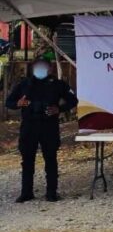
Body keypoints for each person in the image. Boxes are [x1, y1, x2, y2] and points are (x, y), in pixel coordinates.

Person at [5, 58, 78, 203]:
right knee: (27, 160)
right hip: (29, 126)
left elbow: (73, 100)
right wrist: (18, 103)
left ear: (50, 69)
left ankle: (51, 192)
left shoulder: (57, 85)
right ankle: (26, 192)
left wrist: (59, 109)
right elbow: (9, 102)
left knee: (50, 159)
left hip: (49, 126)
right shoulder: (24, 85)